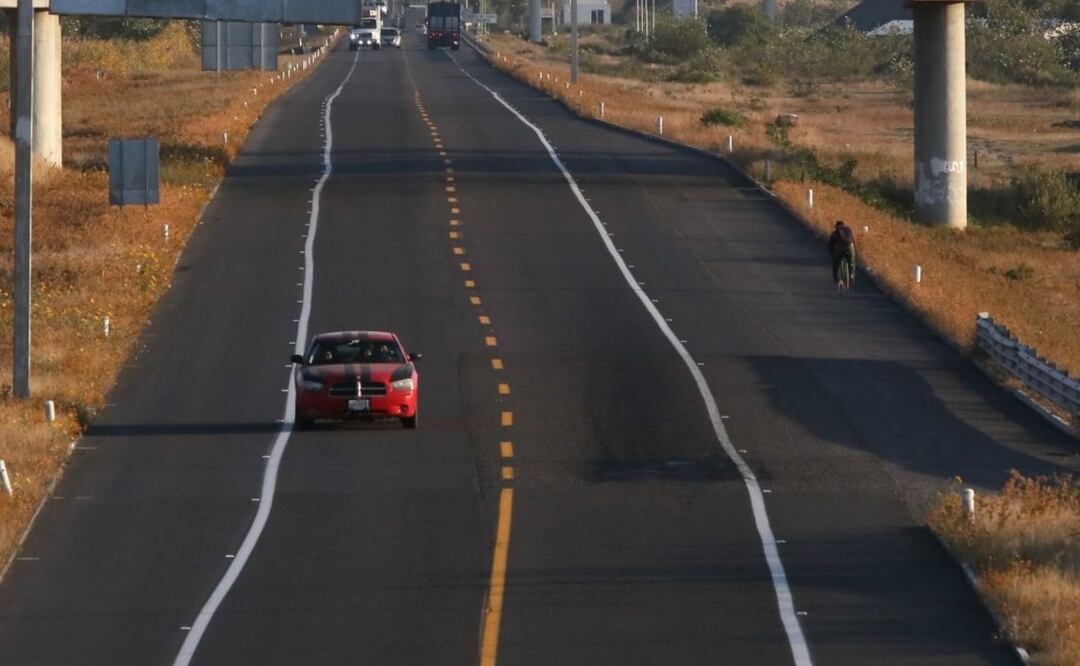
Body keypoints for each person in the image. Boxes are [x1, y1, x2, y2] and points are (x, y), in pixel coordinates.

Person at [828, 220, 856, 293]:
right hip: (850, 246)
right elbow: (853, 241)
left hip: (839, 248)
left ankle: (837, 279)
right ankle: (852, 275)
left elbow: (830, 245)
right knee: (852, 261)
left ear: (836, 226)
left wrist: (831, 253)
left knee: (836, 263)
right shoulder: (849, 230)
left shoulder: (834, 233)